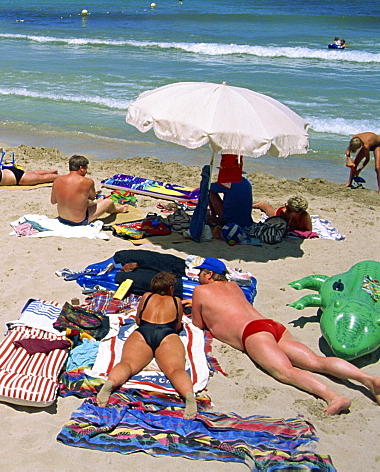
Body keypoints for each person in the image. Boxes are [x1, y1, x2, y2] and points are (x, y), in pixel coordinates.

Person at [191, 257, 380, 415]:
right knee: (315, 361)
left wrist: (194, 306)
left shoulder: (200, 291)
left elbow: (199, 324)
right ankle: (368, 380)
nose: (197, 277)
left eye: (200, 273)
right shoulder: (233, 286)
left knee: (286, 372)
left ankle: (334, 397)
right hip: (272, 326)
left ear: (208, 274)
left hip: (253, 333)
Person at [95, 272, 197, 418]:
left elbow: (138, 320)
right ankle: (189, 397)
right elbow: (177, 326)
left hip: (144, 332)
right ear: (170, 288)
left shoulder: (146, 297)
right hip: (167, 334)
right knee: (175, 370)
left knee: (128, 364)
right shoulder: (175, 301)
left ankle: (110, 384)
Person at [51, 154, 129, 225]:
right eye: (86, 168)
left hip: (62, 218)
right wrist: (97, 201)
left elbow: (53, 201)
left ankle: (102, 203)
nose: (86, 171)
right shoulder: (87, 181)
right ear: (81, 168)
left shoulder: (57, 180)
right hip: (78, 221)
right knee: (108, 202)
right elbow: (92, 197)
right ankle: (118, 210)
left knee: (84, 201)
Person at [209, 155, 254, 230]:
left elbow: (209, 187)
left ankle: (213, 215)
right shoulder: (246, 182)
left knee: (211, 191)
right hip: (246, 221)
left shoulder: (227, 182)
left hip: (230, 220)